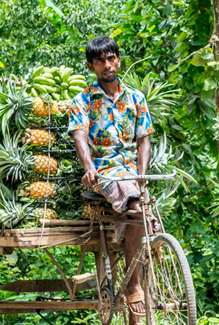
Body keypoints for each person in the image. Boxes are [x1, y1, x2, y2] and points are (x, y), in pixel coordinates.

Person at [67, 35, 155, 316]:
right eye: (100, 61)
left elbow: (144, 140)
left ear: (118, 59)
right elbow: (80, 136)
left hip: (132, 172)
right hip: (105, 172)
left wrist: (142, 176)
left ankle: (135, 312)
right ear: (91, 66)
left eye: (111, 58)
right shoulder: (82, 101)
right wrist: (88, 166)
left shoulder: (136, 98)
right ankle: (133, 287)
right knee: (137, 206)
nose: (107, 65)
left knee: (139, 205)